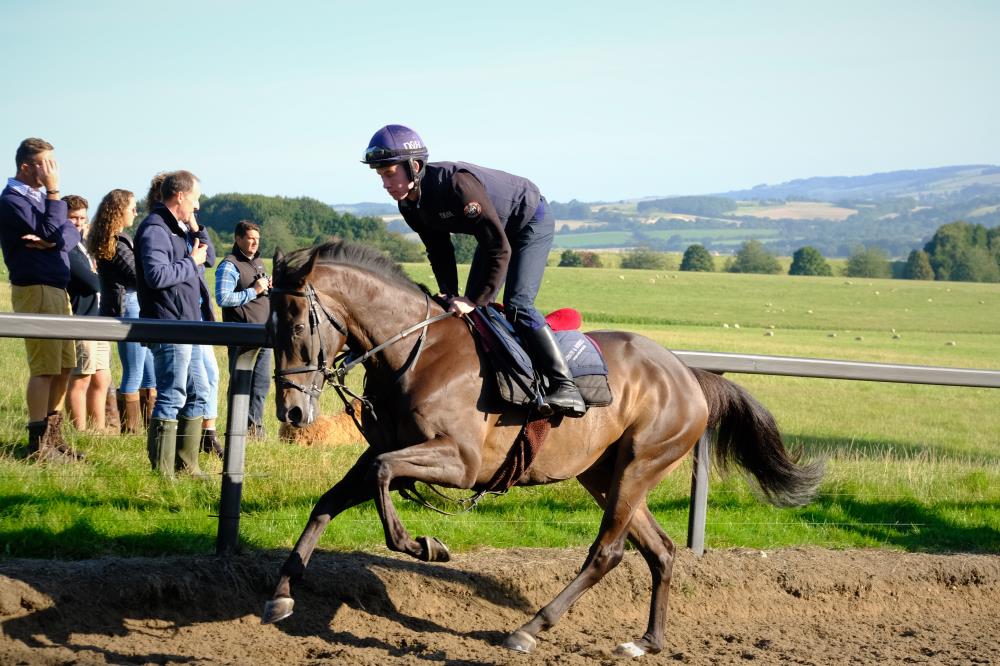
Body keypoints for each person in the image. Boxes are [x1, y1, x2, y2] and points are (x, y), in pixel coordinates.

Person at [362, 125, 585, 417]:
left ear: (414, 167)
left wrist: (472, 299)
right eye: (381, 176)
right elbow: (439, 251)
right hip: (495, 233)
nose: (385, 184)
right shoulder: (409, 205)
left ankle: (565, 385)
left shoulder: (457, 185)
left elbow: (500, 248)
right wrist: (449, 293)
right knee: (472, 309)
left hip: (529, 221)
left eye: (390, 174)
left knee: (517, 305)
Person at [0, 138, 84, 461]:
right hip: (35, 288)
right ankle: (37, 444)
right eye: (45, 164)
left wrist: (55, 240)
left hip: (57, 289)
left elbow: (70, 231)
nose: (52, 171)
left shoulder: (40, 199)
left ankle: (53, 437)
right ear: (25, 167)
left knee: (64, 365)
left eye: (53, 163)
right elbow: (52, 230)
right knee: (45, 367)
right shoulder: (12, 201)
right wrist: (54, 193)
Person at [133, 170, 213, 477]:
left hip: (187, 325)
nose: (198, 205)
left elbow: (209, 258)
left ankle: (187, 466)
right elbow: (156, 276)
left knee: (198, 393)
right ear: (180, 196)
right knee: (172, 395)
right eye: (195, 199)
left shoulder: (178, 228)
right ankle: (163, 475)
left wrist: (196, 228)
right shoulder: (155, 229)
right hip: (169, 323)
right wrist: (190, 263)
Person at [89, 188, 156, 433]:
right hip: (129, 307)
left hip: (131, 305)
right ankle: (130, 430)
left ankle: (148, 428)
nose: (136, 212)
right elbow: (137, 276)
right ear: (119, 211)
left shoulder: (113, 238)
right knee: (135, 372)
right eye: (132, 208)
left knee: (148, 373)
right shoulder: (117, 241)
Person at [215, 220, 272, 441]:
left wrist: (268, 287)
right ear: (238, 239)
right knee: (241, 383)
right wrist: (254, 291)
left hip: (263, 334)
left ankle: (255, 430)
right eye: (250, 238)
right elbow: (223, 298)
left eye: (257, 239)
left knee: (260, 384)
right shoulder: (229, 265)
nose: (255, 243)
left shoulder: (258, 262)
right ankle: (236, 430)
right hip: (242, 335)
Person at [62, 194, 115, 432]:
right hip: (82, 319)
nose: (79, 223)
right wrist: (106, 279)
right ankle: (80, 432)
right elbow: (93, 282)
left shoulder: (84, 246)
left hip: (99, 319)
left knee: (102, 378)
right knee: (81, 377)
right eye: (73, 217)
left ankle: (99, 431)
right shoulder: (67, 247)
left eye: (83, 218)